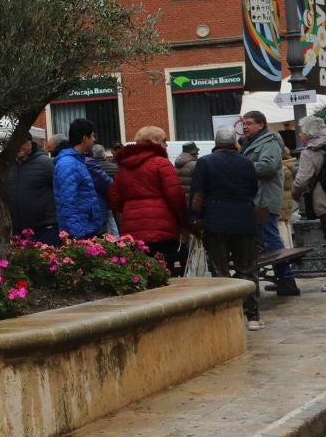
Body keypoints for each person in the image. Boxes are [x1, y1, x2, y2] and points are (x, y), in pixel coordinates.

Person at [192, 125, 263, 330]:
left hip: (216, 220)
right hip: (244, 219)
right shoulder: (247, 163)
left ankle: (228, 315)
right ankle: (253, 316)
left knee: (220, 269)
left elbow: (197, 194)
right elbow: (253, 190)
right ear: (234, 143)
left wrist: (196, 218)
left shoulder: (205, 162)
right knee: (247, 269)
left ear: (216, 144)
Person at [110, 126, 189, 272]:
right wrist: (184, 220)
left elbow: (115, 198)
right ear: (153, 141)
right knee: (164, 271)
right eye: (164, 141)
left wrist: (130, 209)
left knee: (139, 273)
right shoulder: (161, 163)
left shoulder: (123, 167)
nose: (166, 145)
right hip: (163, 228)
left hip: (132, 229)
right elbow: (176, 195)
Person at [240, 111, 299, 296]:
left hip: (264, 200)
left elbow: (268, 166)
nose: (245, 126)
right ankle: (283, 278)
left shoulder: (269, 142)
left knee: (269, 237)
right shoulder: (253, 142)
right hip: (257, 199)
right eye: (244, 123)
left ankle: (288, 280)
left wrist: (242, 165)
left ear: (261, 125)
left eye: (249, 123)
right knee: (262, 238)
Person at [7, 134, 60, 245]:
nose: (18, 147)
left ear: (30, 143)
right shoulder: (8, 166)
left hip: (45, 230)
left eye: (22, 143)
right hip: (19, 230)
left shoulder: (45, 163)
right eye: (15, 143)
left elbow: (60, 191)